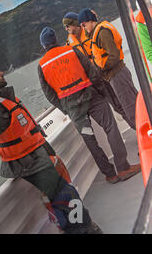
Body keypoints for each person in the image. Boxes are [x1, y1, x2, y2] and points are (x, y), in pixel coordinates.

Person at [0, 65, 101, 234]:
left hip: (37, 152)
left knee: (62, 193)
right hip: (27, 161)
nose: (2, 72)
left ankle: (77, 228)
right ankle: (86, 229)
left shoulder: (4, 98)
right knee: (65, 194)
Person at [38, 27, 141, 184]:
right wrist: (102, 93)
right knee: (110, 127)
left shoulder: (42, 65)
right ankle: (123, 167)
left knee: (90, 140)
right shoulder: (71, 51)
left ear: (43, 46)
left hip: (74, 109)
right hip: (92, 98)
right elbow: (92, 72)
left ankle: (110, 174)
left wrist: (65, 108)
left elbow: (49, 94)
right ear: (56, 39)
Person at [63, 12, 135, 130]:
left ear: (76, 24)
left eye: (68, 25)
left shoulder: (91, 33)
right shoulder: (69, 44)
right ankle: (138, 131)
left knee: (128, 103)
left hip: (109, 73)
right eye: (65, 27)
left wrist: (100, 68)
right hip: (98, 80)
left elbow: (111, 54)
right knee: (118, 106)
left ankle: (143, 130)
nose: (66, 28)